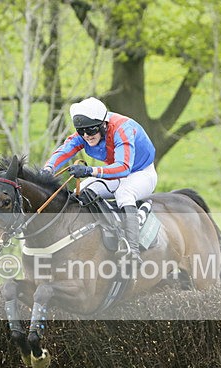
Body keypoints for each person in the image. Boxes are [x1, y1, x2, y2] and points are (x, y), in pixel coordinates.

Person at [41, 97, 157, 265]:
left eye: (90, 131)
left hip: (141, 173)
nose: (86, 136)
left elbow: (124, 167)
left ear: (104, 124)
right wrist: (47, 169)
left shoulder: (122, 129)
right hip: (115, 173)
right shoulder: (87, 130)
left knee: (124, 193)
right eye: (81, 132)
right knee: (81, 192)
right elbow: (65, 150)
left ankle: (133, 250)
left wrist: (90, 171)